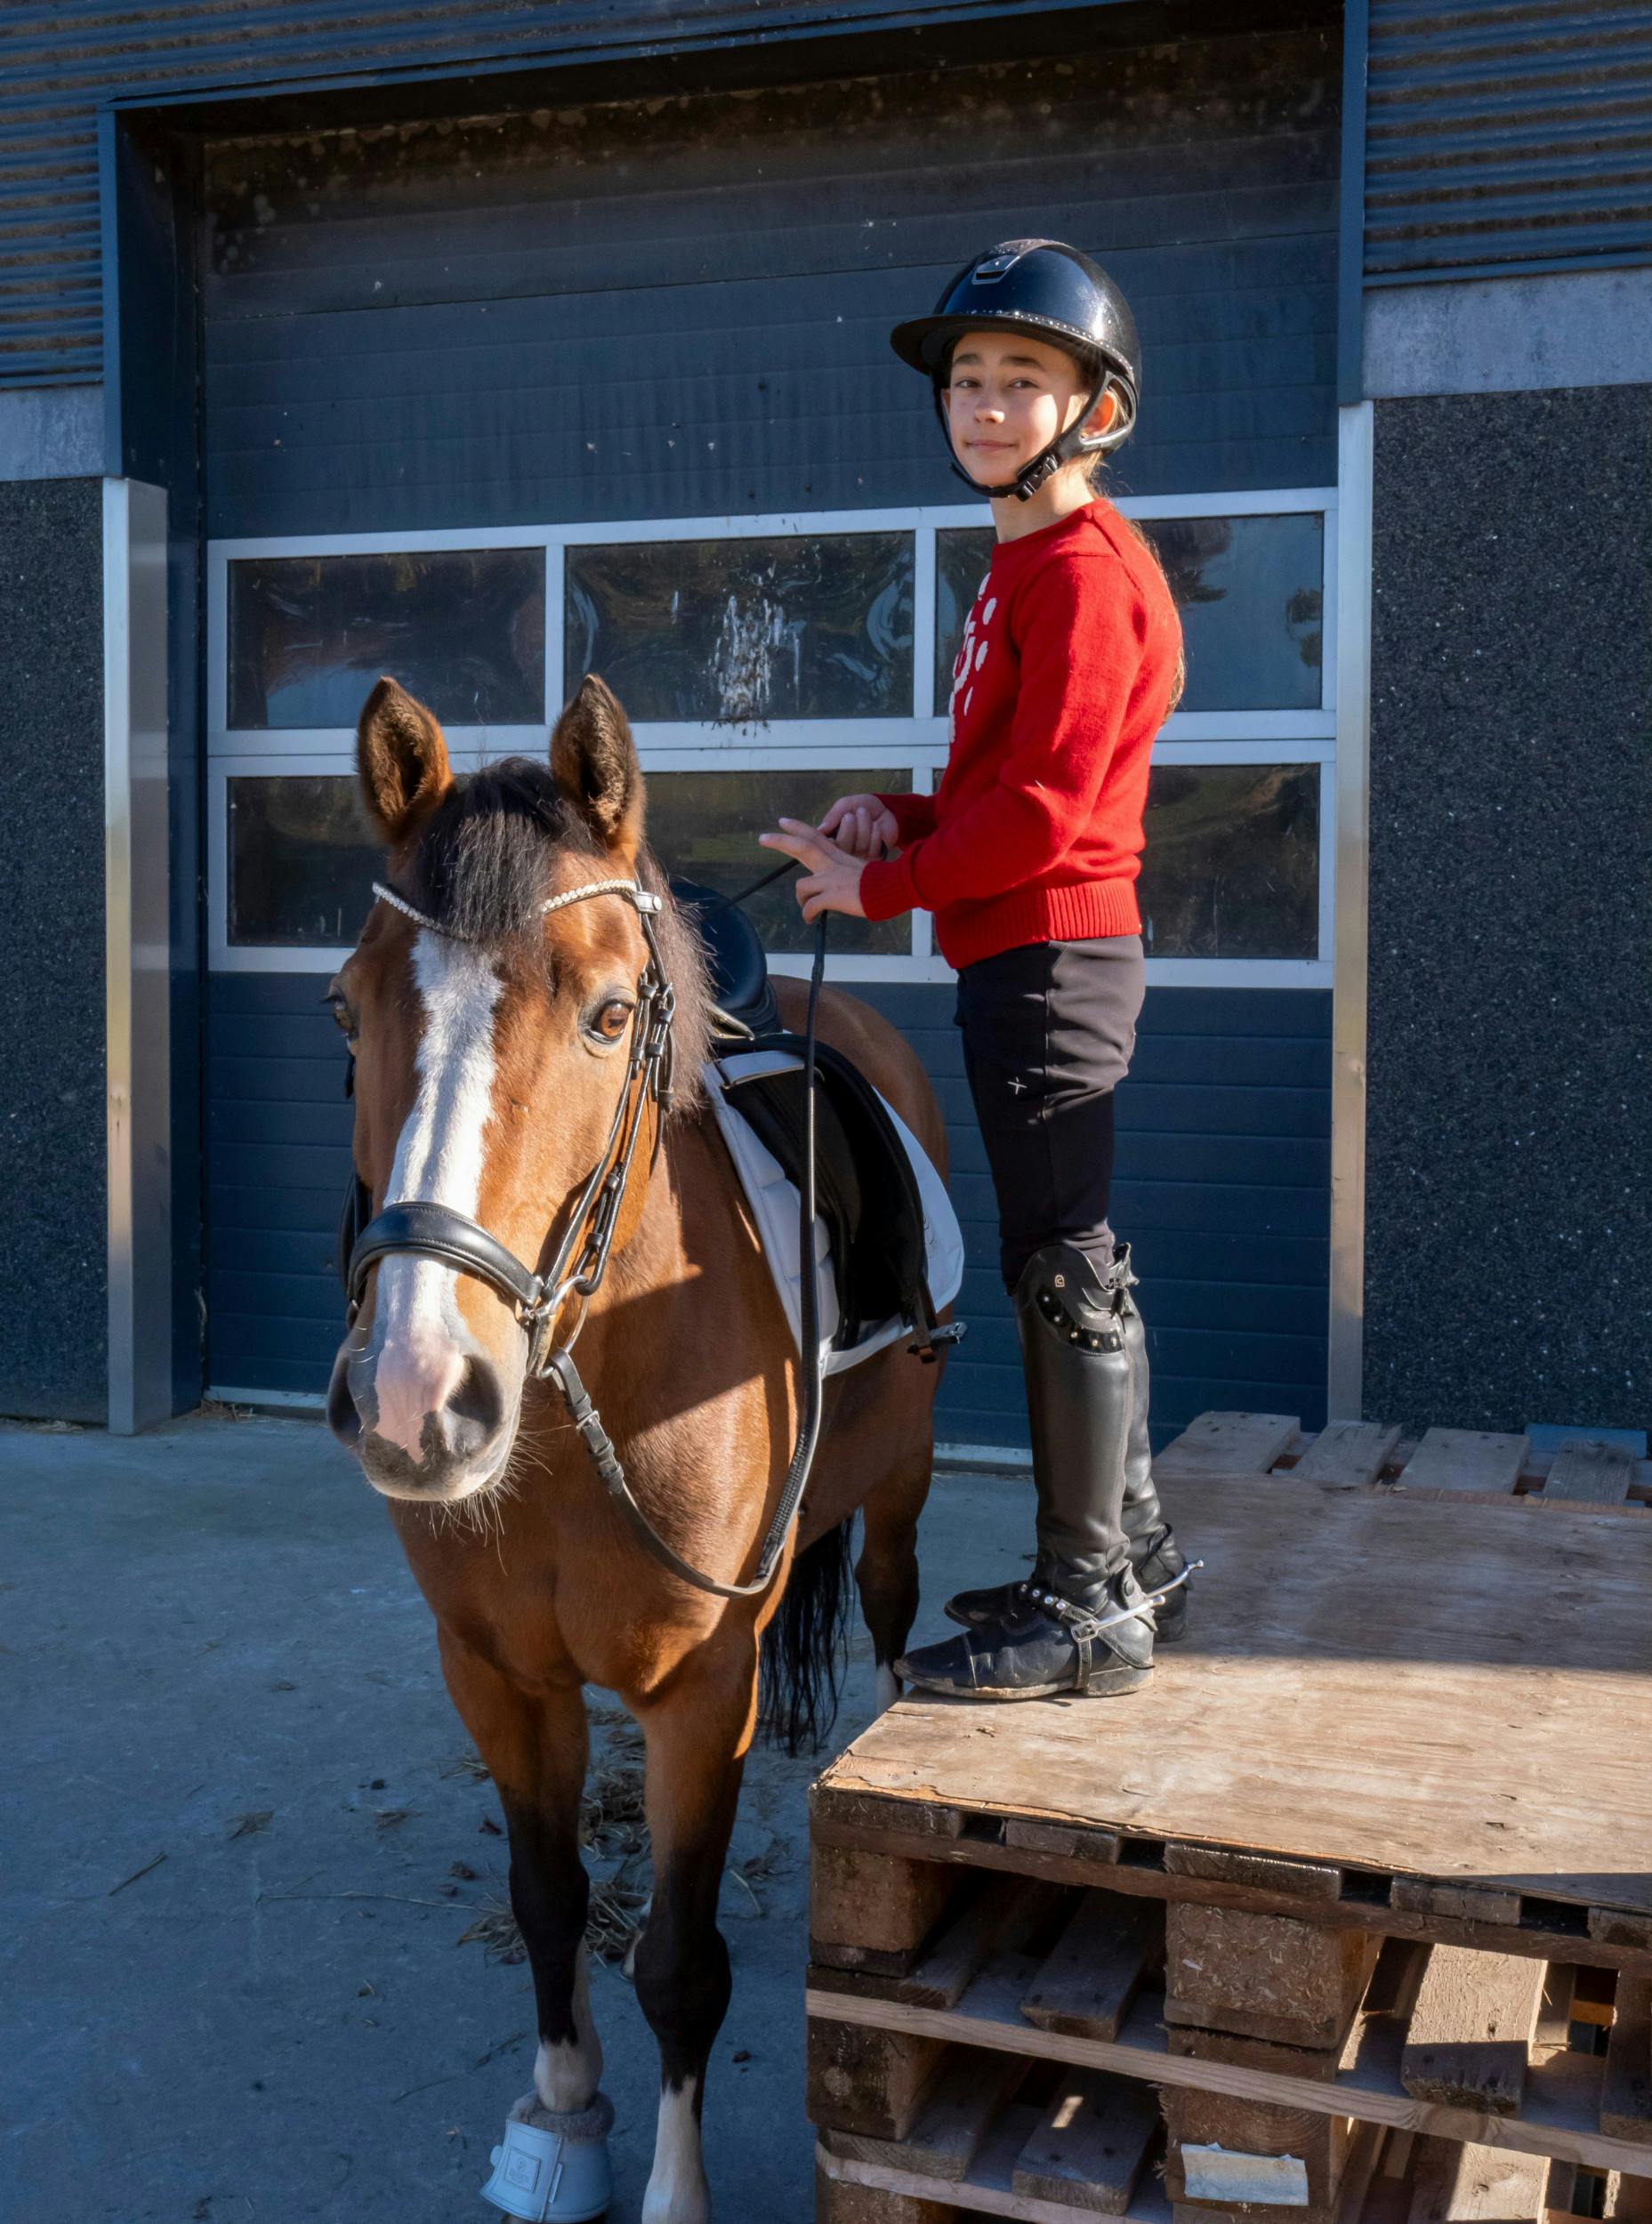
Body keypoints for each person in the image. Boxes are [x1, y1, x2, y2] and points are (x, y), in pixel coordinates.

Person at [758, 238, 1192, 1702]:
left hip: (1054, 959)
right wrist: (902, 815)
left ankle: (1086, 1608)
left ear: (1098, 413)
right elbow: (1001, 789)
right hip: (1030, 947)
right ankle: (1128, 1550)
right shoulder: (1027, 566)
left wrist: (875, 885)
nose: (986, 405)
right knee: (1062, 1253)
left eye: (1023, 380)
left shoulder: (1080, 575)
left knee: (1062, 1265)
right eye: (967, 379)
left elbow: (1052, 818)